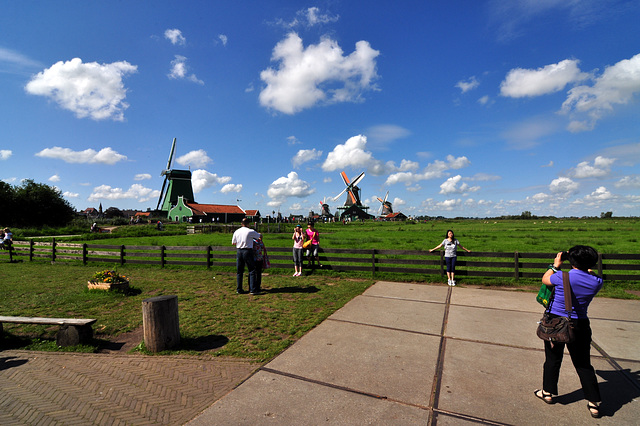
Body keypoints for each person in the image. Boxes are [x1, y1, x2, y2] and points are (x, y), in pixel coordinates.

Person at [534, 245, 603, 418]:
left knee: (552, 359)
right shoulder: (597, 281)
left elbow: (545, 279)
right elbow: (587, 274)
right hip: (580, 325)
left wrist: (555, 264)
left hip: (556, 324)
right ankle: (594, 402)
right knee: (583, 364)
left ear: (571, 261)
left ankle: (547, 392)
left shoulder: (561, 276)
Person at [231, 218, 262, 295]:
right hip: (248, 251)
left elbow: (233, 243)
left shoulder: (237, 231)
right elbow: (259, 237)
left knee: (239, 271)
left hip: (239, 251)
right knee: (251, 270)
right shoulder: (250, 231)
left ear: (241, 224)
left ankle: (239, 289)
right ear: (248, 224)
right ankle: (252, 289)